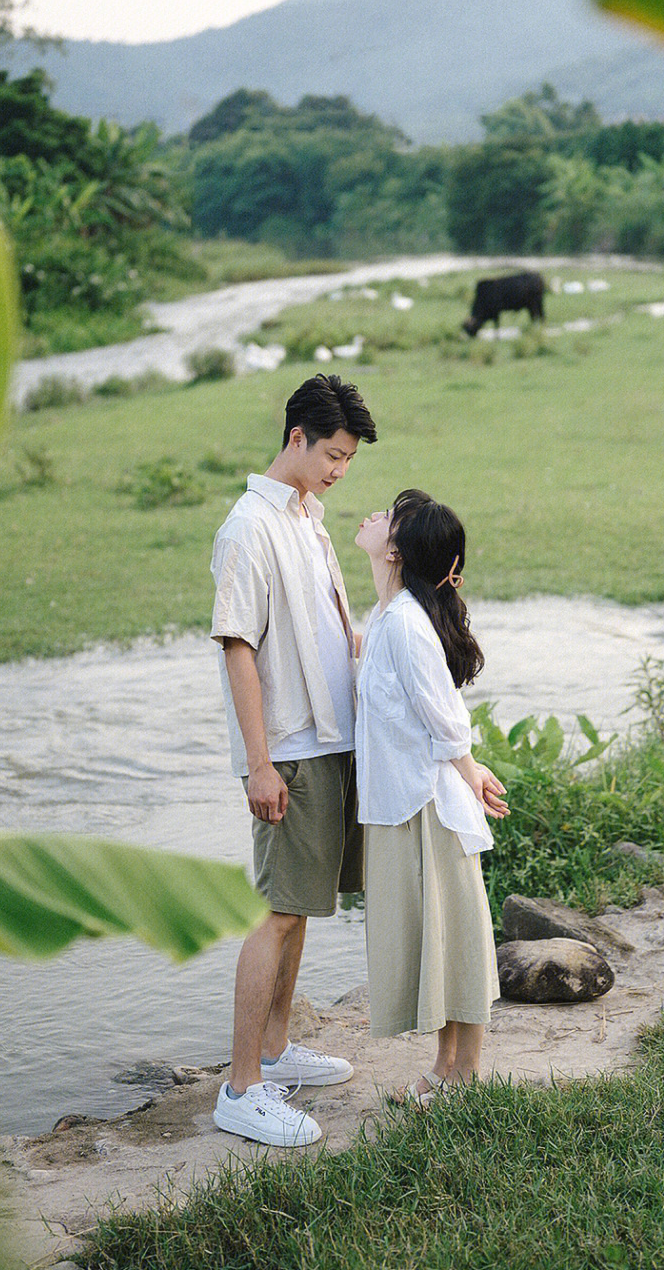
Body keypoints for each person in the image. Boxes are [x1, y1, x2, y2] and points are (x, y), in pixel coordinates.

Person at [209, 373, 378, 1147]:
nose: (340, 469)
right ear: (296, 439)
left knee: (302, 904)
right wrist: (259, 763)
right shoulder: (248, 527)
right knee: (275, 911)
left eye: (348, 459)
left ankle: (276, 1050)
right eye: (333, 455)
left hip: (331, 738)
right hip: (290, 750)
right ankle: (242, 1088)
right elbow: (239, 650)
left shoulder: (309, 515)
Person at [354, 489, 508, 1102]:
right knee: (435, 937)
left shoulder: (408, 626)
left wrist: (469, 770)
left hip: (426, 803)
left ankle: (463, 1073)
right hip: (404, 800)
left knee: (456, 937)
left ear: (395, 549)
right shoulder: (393, 614)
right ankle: (445, 1067)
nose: (372, 516)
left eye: (387, 519)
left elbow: (447, 721)